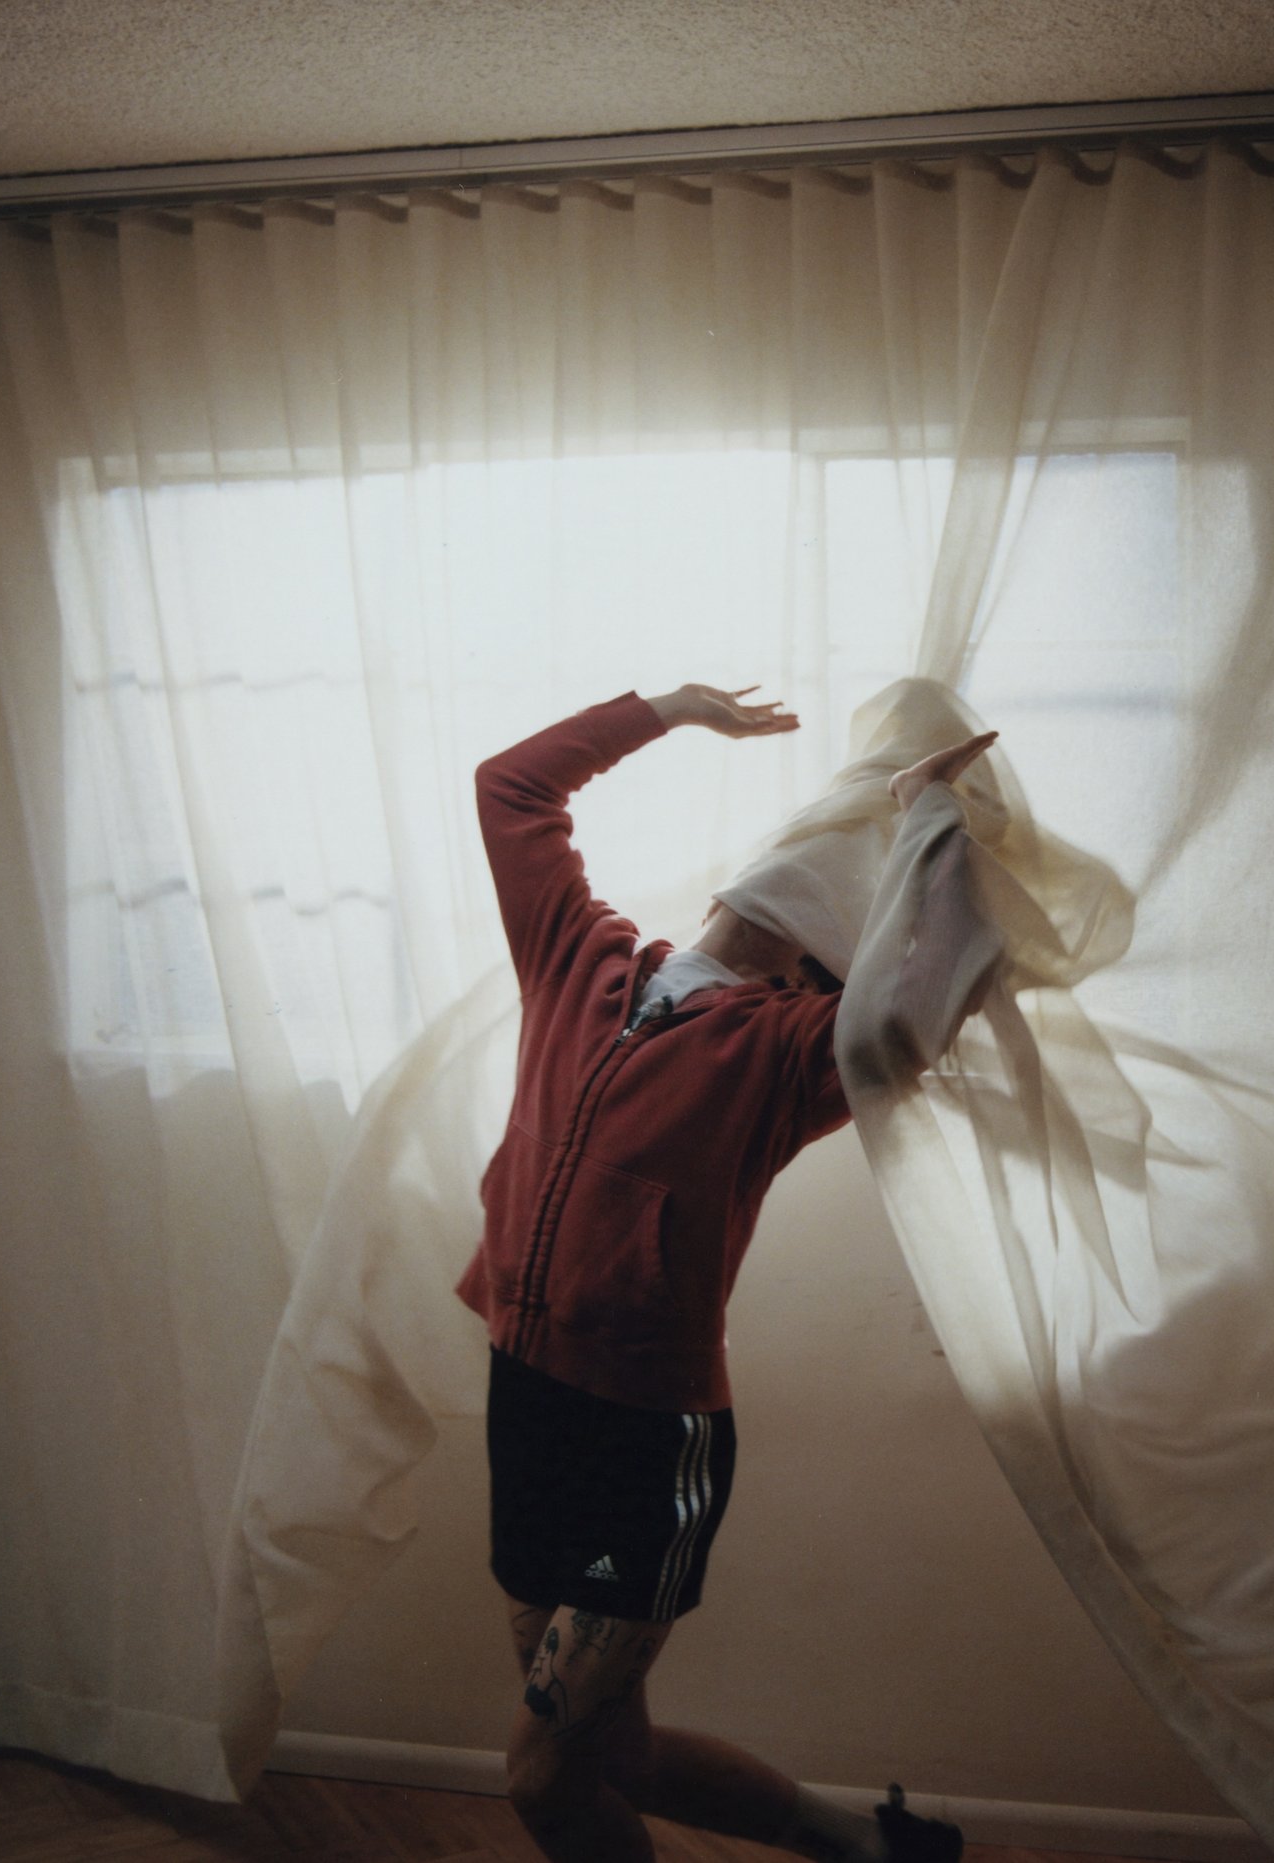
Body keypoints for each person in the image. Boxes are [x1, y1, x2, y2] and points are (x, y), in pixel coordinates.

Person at [456, 681, 993, 1863]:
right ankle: (878, 1848)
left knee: (540, 1780)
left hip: (639, 1448)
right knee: (614, 1758)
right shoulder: (581, 960)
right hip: (525, 1403)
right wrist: (666, 709)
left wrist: (926, 817)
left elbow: (926, 1002)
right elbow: (510, 788)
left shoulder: (791, 1050)